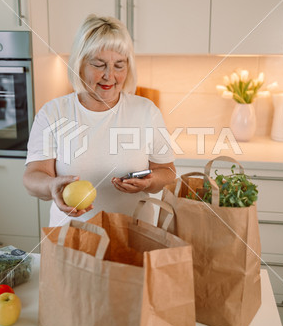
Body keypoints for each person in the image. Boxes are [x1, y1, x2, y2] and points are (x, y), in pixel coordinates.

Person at [23, 14, 176, 226]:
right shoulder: (53, 113)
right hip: (71, 241)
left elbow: (167, 172)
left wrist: (150, 182)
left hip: (134, 237)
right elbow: (33, 176)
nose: (109, 75)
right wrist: (52, 185)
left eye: (119, 65)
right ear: (80, 63)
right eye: (99, 64)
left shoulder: (146, 111)